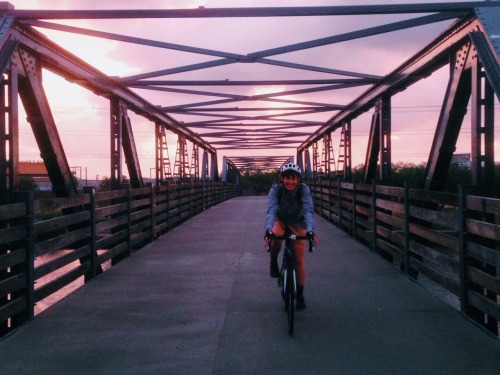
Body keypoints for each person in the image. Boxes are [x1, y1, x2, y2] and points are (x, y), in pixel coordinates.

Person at [264, 162, 317, 310]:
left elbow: (308, 209)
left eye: (294, 178)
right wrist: (268, 229)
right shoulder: (276, 190)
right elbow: (272, 209)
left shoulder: (303, 189)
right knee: (276, 235)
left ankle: (299, 295)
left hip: (298, 223)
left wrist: (310, 230)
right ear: (282, 178)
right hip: (279, 220)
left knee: (298, 258)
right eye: (287, 178)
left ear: (298, 179)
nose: (291, 181)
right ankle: (273, 260)